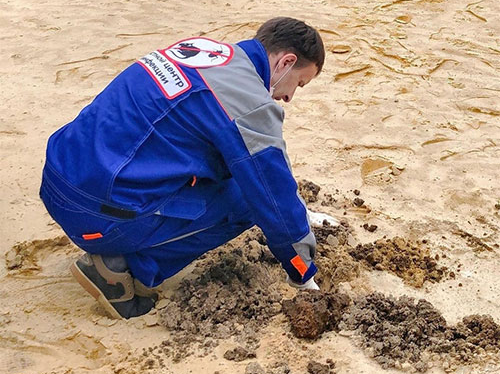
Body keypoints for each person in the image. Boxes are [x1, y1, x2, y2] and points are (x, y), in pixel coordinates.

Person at [40, 17, 329, 320]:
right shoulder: (249, 101)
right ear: (286, 61)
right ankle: (121, 267)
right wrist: (302, 273)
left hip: (60, 178)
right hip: (94, 213)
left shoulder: (201, 50)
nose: (289, 97)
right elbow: (272, 193)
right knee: (247, 200)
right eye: (299, 83)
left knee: (233, 169)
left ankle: (125, 238)